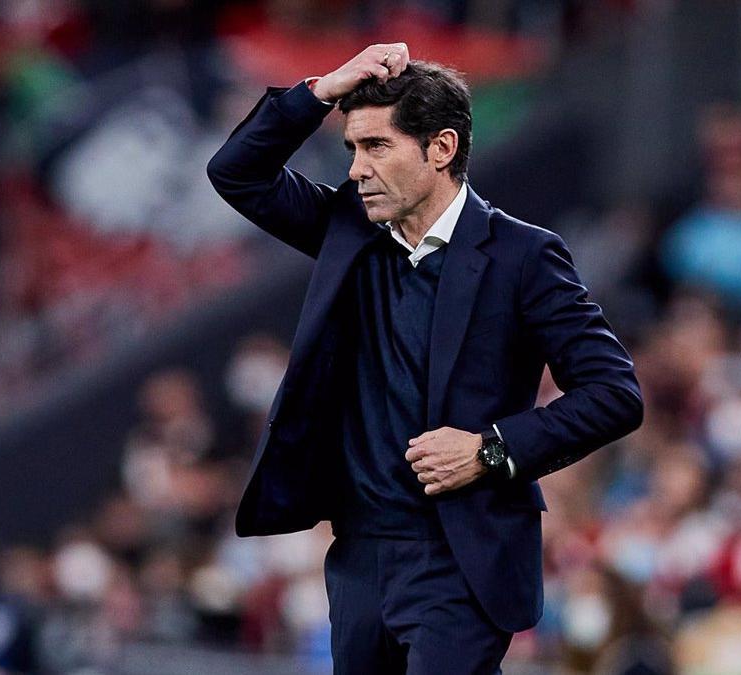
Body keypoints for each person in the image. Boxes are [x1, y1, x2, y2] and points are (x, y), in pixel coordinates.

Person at [206, 43, 643, 674]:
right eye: (352, 148)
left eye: (377, 146)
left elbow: (614, 393)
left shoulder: (523, 257)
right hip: (357, 556)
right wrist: (322, 91)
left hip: (458, 559)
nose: (356, 169)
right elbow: (237, 172)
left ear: (440, 149)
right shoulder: (348, 229)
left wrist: (489, 450)